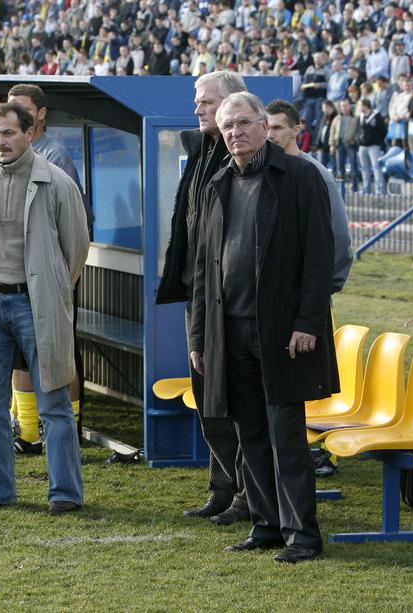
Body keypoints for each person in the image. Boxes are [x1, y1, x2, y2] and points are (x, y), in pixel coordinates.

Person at [190, 92, 339, 563]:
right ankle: (266, 525)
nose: (235, 132)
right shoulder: (218, 182)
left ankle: (303, 536)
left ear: (263, 124)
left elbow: (320, 257)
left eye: (243, 123)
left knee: (285, 435)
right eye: (227, 125)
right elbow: (202, 270)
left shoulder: (299, 177)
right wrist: (199, 337)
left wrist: (308, 322)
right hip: (228, 331)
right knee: (250, 432)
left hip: (281, 332)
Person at [0, 102, 89, 514]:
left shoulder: (58, 182)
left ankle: (64, 492)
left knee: (54, 404)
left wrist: (51, 292)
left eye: (9, 133)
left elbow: (77, 249)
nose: (0, 141)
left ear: (29, 134)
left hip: (36, 306)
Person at [156, 70, 249, 526]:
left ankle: (247, 495)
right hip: (199, 295)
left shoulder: (240, 159)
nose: (197, 109)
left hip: (231, 301)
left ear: (233, 103)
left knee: (231, 399)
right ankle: (223, 487)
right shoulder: (200, 152)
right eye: (198, 101)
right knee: (206, 395)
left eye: (206, 102)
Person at [4, 82, 91, 450]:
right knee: (21, 357)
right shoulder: (7, 155)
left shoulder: (54, 156)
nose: (16, 116)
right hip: (16, 278)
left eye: (22, 109)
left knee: (61, 353)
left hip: (49, 277)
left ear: (40, 114)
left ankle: (67, 429)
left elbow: (75, 229)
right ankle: (26, 430)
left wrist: (59, 279)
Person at [266, 99, 353, 293]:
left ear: (295, 130)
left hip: (307, 295)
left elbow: (338, 236)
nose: (270, 135)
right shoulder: (263, 171)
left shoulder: (318, 174)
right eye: (267, 128)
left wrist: (324, 287)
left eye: (277, 128)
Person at [329, 98, 361, 192]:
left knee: (353, 168)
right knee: (340, 168)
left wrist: (354, 140)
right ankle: (340, 189)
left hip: (350, 145)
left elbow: (359, 132)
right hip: (339, 144)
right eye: (342, 106)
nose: (344, 108)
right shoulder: (337, 118)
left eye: (346, 105)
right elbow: (332, 131)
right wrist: (332, 144)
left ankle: (354, 188)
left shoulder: (356, 118)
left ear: (350, 106)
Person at [358, 98, 387, 195]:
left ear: (365, 106)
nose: (359, 107)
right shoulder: (361, 117)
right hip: (362, 146)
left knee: (376, 167)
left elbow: (383, 131)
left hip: (374, 146)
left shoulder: (377, 116)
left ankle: (380, 190)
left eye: (361, 105)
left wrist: (377, 139)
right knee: (364, 168)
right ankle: (366, 189)